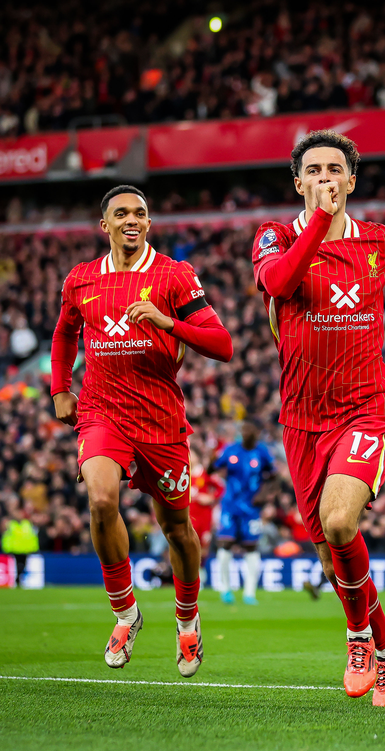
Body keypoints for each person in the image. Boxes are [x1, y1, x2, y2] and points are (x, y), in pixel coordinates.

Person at [251, 130, 385, 707]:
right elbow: (279, 282)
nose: (325, 179)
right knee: (327, 552)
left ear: (352, 180)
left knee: (340, 522)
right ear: (298, 182)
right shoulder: (274, 236)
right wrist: (319, 220)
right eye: (313, 170)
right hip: (301, 418)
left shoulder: (379, 241)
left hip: (365, 408)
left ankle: (360, 638)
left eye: (335, 169)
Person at [51, 184, 233, 677]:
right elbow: (66, 331)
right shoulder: (81, 279)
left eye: (140, 213)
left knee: (177, 529)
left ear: (149, 223)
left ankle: (187, 620)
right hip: (101, 412)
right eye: (121, 213)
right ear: (104, 224)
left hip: (160, 420)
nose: (132, 219)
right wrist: (59, 388)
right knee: (100, 500)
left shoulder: (174, 275)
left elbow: (222, 345)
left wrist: (168, 323)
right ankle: (126, 613)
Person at [210, 420, 275, 605]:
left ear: (256, 434)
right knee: (225, 543)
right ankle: (225, 590)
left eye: (249, 431)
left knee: (251, 547)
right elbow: (211, 469)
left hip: (251, 508)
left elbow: (273, 477)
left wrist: (263, 494)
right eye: (243, 430)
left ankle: (249, 593)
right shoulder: (230, 450)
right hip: (230, 506)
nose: (245, 433)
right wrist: (211, 457)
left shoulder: (262, 452)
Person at [189, 450, 225, 587]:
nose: (189, 457)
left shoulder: (204, 474)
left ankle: (201, 575)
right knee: (190, 547)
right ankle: (190, 578)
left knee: (203, 547)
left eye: (191, 454)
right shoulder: (184, 475)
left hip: (204, 517)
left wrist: (211, 498)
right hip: (189, 517)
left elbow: (221, 488)